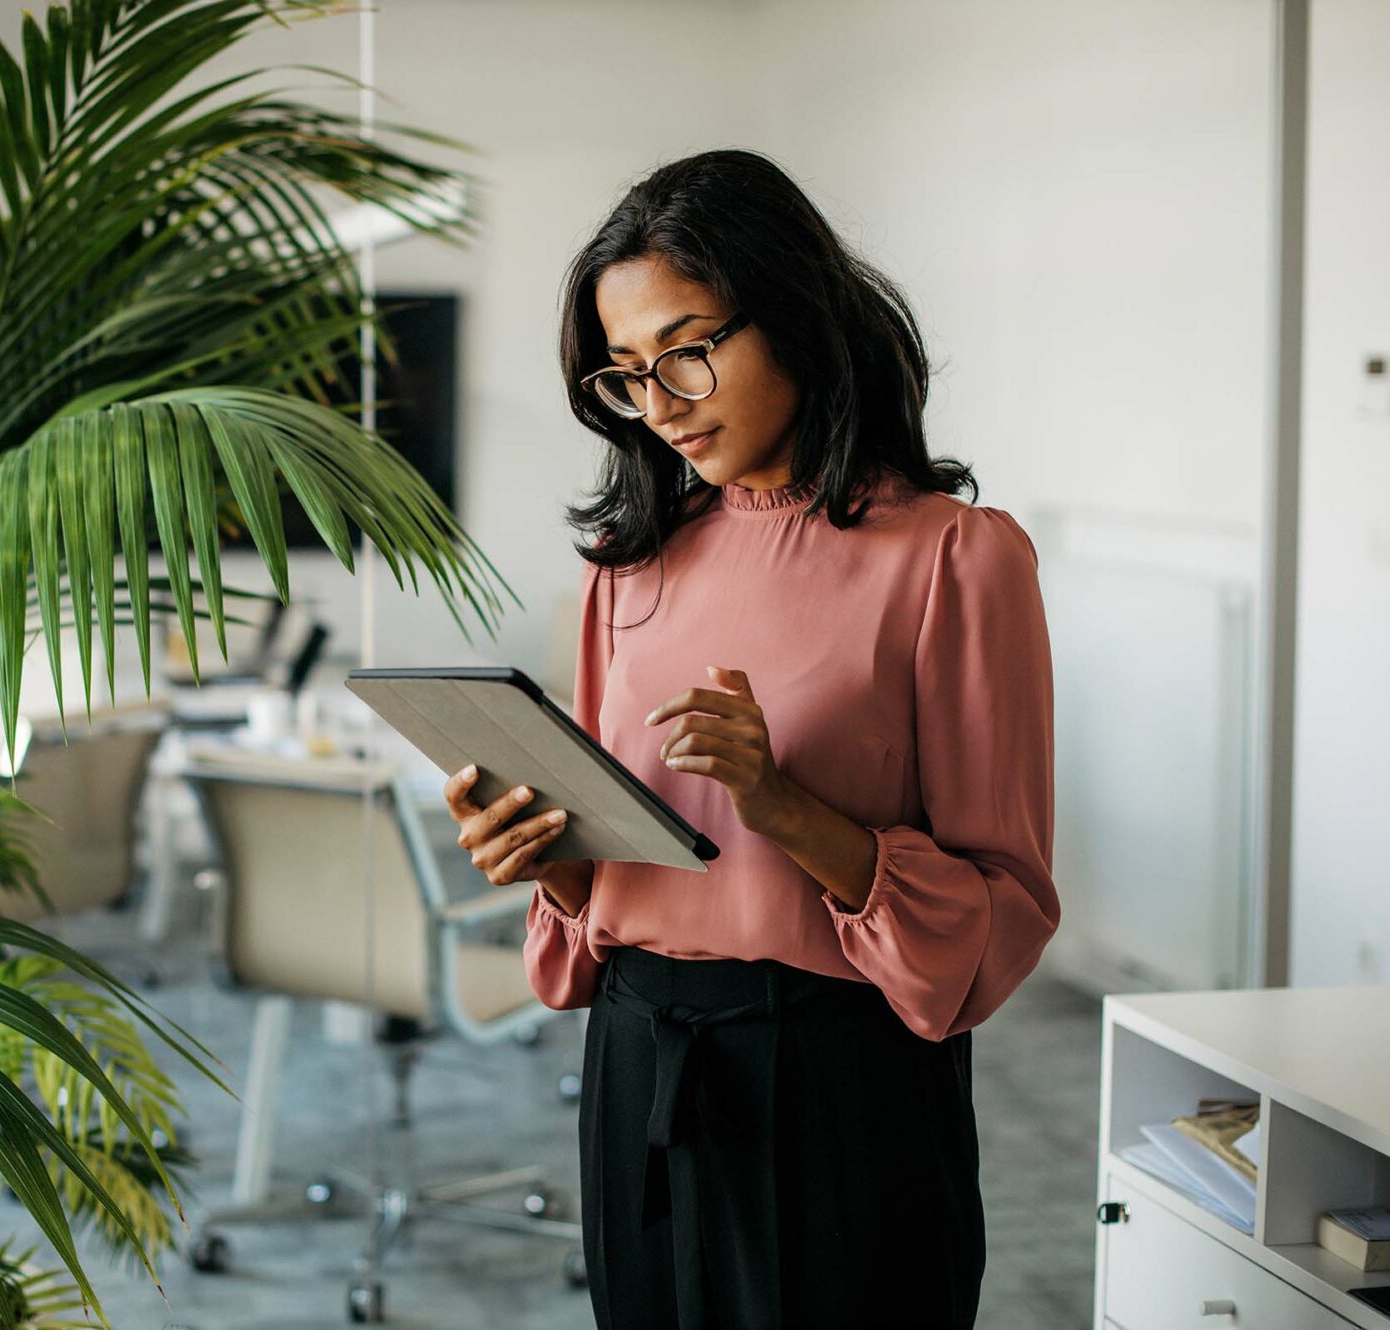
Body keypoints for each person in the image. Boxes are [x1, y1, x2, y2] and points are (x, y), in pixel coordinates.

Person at [440, 148, 1061, 1329]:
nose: (661, 401)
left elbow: (1001, 918)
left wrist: (788, 809)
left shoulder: (955, 559)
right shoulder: (627, 568)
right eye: (627, 374)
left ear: (792, 314)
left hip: (840, 1084)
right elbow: (620, 881)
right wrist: (548, 858)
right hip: (638, 1064)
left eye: (687, 348)